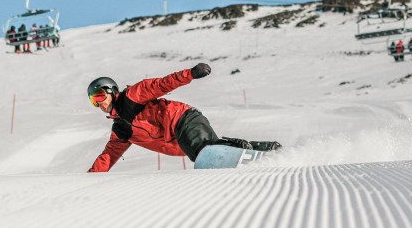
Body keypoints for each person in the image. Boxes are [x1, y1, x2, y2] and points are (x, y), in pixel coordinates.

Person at [87, 63, 281, 172]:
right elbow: (107, 157)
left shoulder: (132, 96)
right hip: (182, 140)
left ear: (112, 91)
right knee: (213, 151)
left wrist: (189, 74)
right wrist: (87, 179)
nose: (99, 103)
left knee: (206, 154)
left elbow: (162, 84)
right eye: (94, 101)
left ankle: (244, 151)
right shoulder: (121, 130)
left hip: (183, 120)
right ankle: (264, 150)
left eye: (100, 96)